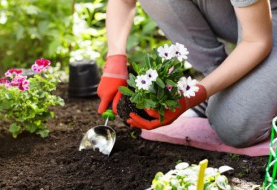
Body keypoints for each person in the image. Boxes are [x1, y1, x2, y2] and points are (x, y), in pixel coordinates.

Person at [97, 0, 277, 148]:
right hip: (245, 14)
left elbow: (256, 41)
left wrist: (192, 97)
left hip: (267, 21)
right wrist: (115, 61)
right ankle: (220, 88)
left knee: (234, 126)